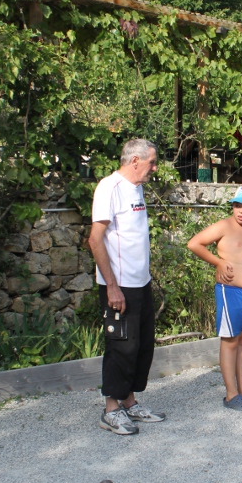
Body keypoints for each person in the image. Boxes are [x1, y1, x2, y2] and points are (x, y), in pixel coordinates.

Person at [88, 138, 166, 435]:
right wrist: (112, 287)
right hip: (119, 284)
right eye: (152, 162)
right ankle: (111, 409)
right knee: (121, 346)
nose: (154, 168)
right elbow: (95, 240)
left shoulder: (137, 188)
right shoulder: (110, 187)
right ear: (135, 161)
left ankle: (130, 402)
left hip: (140, 281)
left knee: (142, 345)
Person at [186, 186, 242, 411]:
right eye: (237, 206)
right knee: (230, 341)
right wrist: (218, 262)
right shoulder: (224, 226)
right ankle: (231, 395)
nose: (240, 211)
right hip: (232, 291)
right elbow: (194, 243)